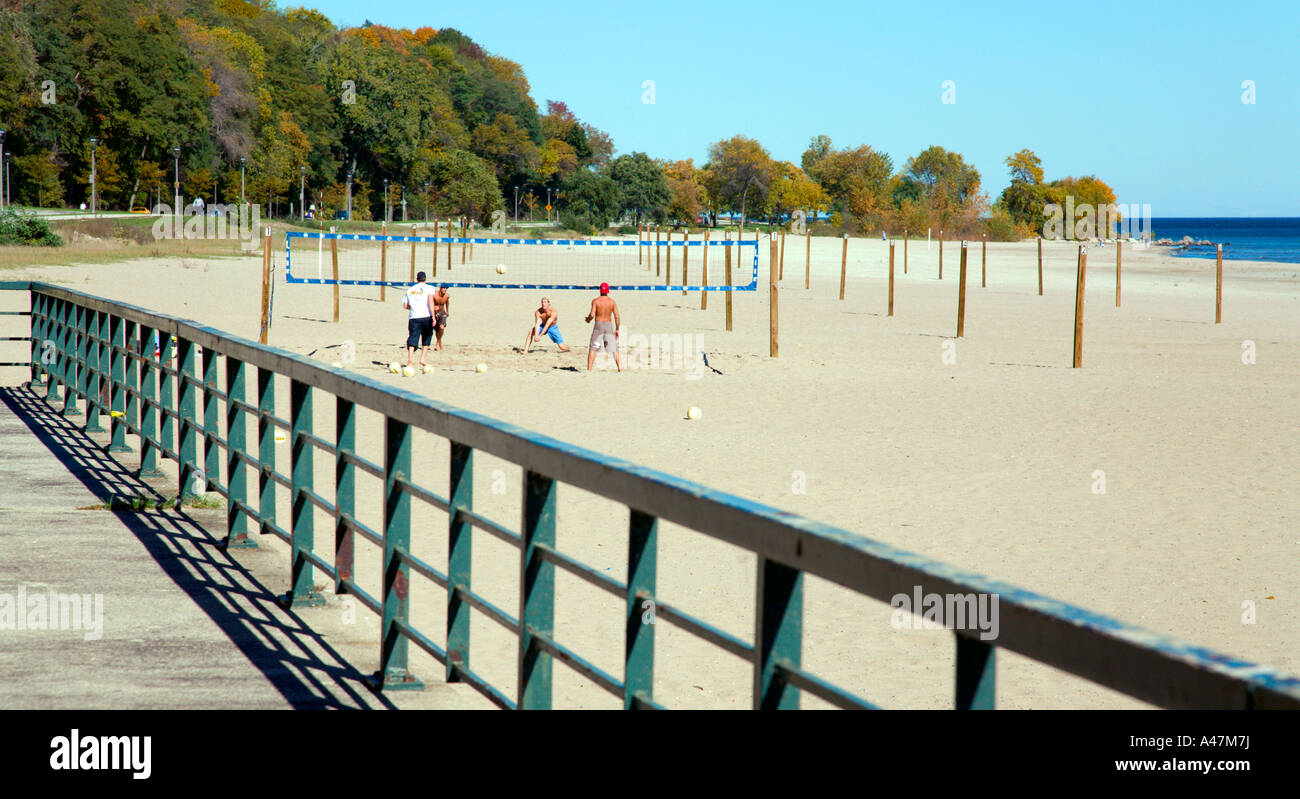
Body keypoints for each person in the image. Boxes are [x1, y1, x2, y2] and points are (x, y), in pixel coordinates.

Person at [398, 271, 434, 374]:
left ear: (416, 279)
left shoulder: (410, 290)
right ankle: (422, 359)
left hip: (414, 317)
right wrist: (434, 316)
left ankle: (410, 360)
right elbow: (430, 301)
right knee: (427, 336)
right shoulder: (429, 288)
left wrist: (413, 308)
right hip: (426, 316)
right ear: (425, 279)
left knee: (413, 337)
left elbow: (405, 306)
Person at [584, 282, 622, 372]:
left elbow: (592, 314)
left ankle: (589, 369)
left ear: (600, 290)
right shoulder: (612, 302)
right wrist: (617, 329)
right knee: (613, 348)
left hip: (599, 325)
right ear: (608, 291)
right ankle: (619, 368)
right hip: (608, 325)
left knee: (593, 347)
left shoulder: (596, 301)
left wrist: (588, 319)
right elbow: (617, 316)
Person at [431, 285, 450, 350]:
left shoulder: (447, 296)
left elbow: (447, 302)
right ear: (440, 288)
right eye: (444, 288)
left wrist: (447, 311)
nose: (445, 290)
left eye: (446, 288)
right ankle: (439, 341)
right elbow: (429, 302)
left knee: (441, 327)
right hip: (434, 313)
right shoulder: (434, 294)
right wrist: (433, 307)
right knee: (437, 330)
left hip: (442, 312)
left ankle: (438, 342)